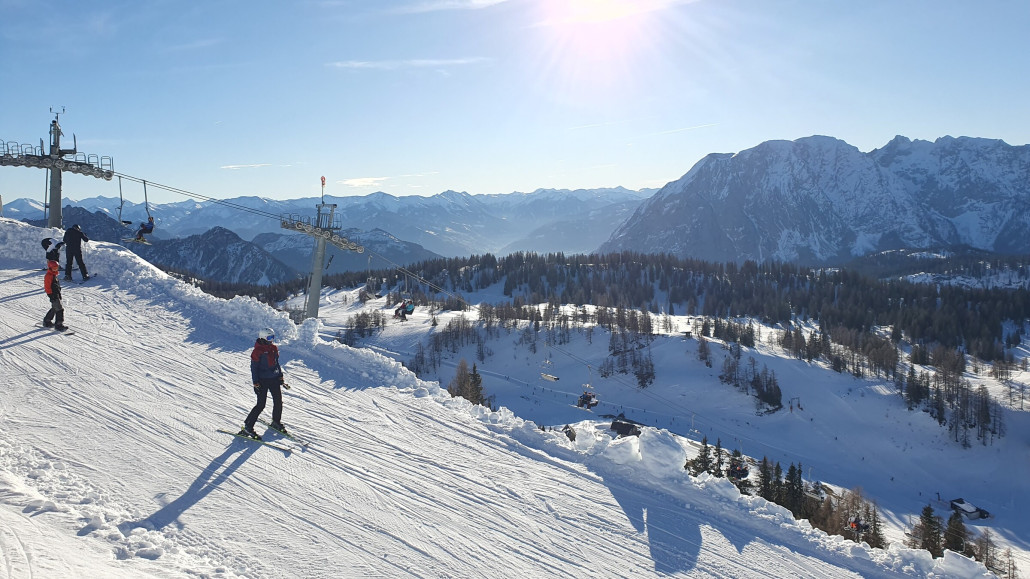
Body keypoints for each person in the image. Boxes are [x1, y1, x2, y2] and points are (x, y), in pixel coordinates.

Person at [240, 327, 287, 439]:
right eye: (269, 338)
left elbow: (276, 364)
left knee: (278, 401)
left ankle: (276, 421)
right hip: (262, 381)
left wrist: (280, 376)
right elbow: (254, 368)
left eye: (273, 337)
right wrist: (255, 382)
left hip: (274, 379)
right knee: (261, 405)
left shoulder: (274, 348)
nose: (272, 340)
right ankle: (248, 426)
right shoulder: (258, 351)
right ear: (263, 338)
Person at [42, 259, 68, 331]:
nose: (55, 269)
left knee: (54, 308)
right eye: (54, 268)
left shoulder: (54, 275)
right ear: (50, 268)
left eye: (56, 268)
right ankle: (59, 325)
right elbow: (47, 287)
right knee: (59, 309)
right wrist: (51, 295)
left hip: (56, 294)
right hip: (53, 295)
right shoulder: (49, 276)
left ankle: (47, 321)